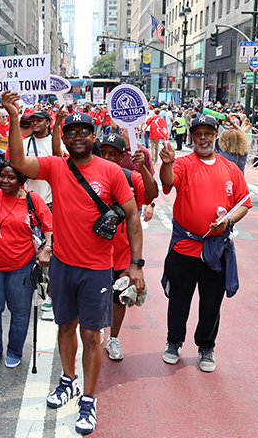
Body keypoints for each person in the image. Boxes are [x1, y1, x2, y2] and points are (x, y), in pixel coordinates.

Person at [7, 91, 144, 436]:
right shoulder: (56, 167)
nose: (78, 137)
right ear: (64, 138)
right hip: (63, 266)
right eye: (71, 132)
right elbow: (18, 162)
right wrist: (14, 117)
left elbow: (132, 216)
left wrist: (136, 264)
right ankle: (67, 380)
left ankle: (88, 399)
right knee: (65, 327)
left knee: (91, 335)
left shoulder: (111, 171)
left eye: (84, 131)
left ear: (93, 136)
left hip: (97, 269)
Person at [159, 115, 251, 373]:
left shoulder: (230, 168)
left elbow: (244, 202)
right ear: (192, 137)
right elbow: (168, 181)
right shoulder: (183, 163)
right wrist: (166, 163)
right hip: (185, 248)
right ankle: (174, 342)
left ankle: (206, 347)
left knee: (211, 302)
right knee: (179, 299)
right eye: (198, 134)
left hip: (216, 250)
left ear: (215, 136)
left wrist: (228, 221)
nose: (203, 138)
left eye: (208, 133)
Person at [0, 159, 53, 369]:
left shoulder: (32, 200)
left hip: (22, 266)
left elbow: (49, 226)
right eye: (2, 176)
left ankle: (15, 350)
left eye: (11, 177)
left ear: (21, 180)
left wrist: (47, 247)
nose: (5, 181)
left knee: (20, 311)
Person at [98, 134, 158, 360]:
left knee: (118, 298)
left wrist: (143, 169)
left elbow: (151, 193)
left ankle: (113, 338)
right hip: (94, 252)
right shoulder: (90, 176)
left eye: (112, 154)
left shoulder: (131, 177)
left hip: (122, 254)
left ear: (122, 156)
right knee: (94, 297)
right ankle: (94, 331)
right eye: (103, 153)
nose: (107, 158)